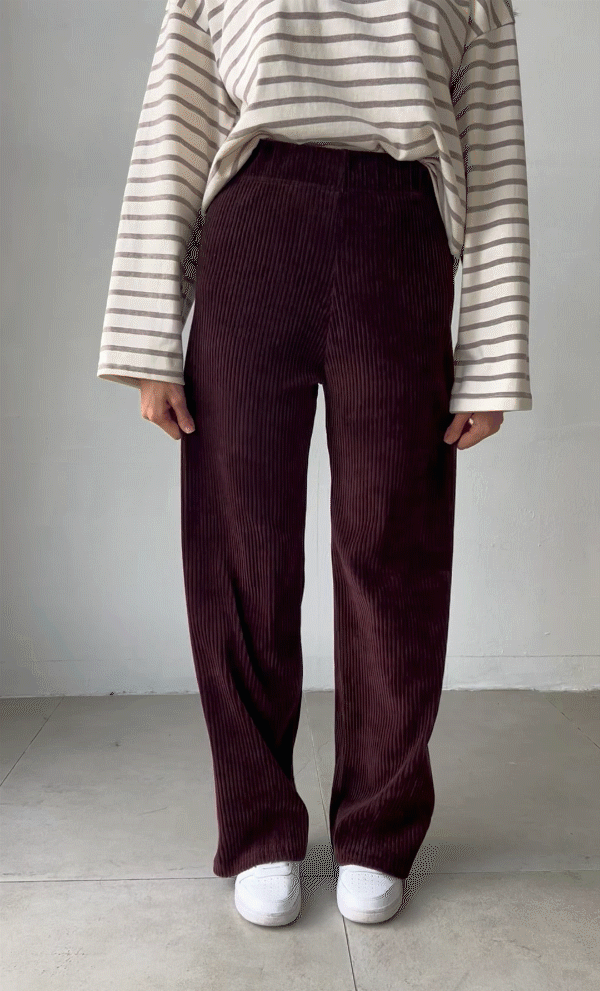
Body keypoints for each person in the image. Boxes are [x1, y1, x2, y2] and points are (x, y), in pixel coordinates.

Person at [98, 0, 530, 927]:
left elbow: (493, 160)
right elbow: (176, 133)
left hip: (402, 237)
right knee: (241, 548)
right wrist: (149, 337)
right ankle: (258, 825)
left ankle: (379, 827)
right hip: (255, 228)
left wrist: (491, 358)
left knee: (393, 546)